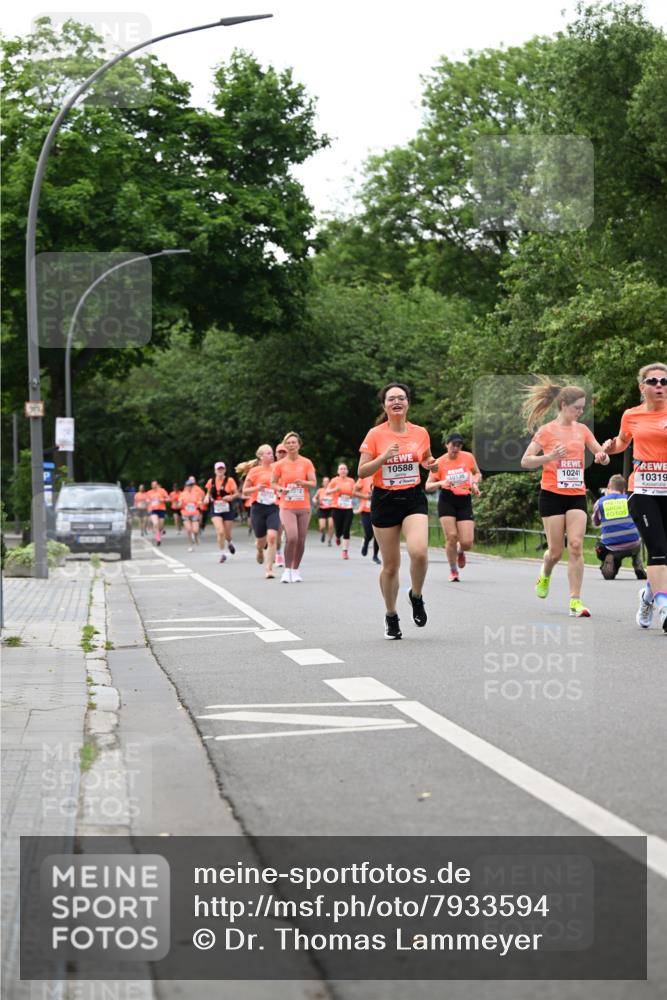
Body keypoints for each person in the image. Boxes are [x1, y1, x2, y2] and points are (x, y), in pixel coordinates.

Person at [520, 377, 610, 617]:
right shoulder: (546, 431)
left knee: (577, 545)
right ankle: (545, 573)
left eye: (582, 407)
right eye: (577, 407)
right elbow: (526, 461)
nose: (581, 412)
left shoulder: (582, 430)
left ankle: (575, 601)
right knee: (556, 552)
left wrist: (603, 456)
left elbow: (600, 452)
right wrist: (548, 457)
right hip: (551, 495)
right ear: (563, 405)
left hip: (576, 495)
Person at [358, 382, 437, 639]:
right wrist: (383, 458)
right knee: (391, 566)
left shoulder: (420, 432)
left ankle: (416, 595)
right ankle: (391, 615)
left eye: (401, 398)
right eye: (391, 398)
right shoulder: (375, 435)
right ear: (385, 405)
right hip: (384, 499)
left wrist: (430, 464)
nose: (396, 402)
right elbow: (362, 471)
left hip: (413, 497)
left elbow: (425, 458)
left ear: (407, 403)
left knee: (420, 552)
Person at [601, 362, 667, 632]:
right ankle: (664, 607)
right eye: (653, 381)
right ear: (643, 387)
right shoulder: (631, 415)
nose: (660, 385)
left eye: (664, 381)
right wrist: (609, 448)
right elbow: (621, 442)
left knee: (665, 554)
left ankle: (647, 596)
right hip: (641, 491)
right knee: (659, 550)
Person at [426, 433, 481, 582]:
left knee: (467, 542)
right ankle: (453, 570)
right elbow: (428, 485)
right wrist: (440, 483)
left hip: (464, 500)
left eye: (459, 445)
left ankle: (461, 550)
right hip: (447, 500)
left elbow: (477, 473)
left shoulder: (468, 457)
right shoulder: (439, 462)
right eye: (453, 445)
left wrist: (475, 484)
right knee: (451, 536)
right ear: (447, 445)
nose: (456, 448)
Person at [271, 432, 317, 583]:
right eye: (288, 443)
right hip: (287, 506)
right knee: (292, 537)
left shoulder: (306, 462)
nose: (291, 445)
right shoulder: (279, 465)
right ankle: (287, 570)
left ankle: (296, 570)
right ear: (285, 445)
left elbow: (313, 483)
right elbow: (273, 483)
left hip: (303, 505)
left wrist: (304, 483)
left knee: (301, 539)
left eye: (294, 442)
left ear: (299, 444)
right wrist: (280, 489)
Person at [592, 475, 646, 580]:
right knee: (636, 535)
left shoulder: (600, 502)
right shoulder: (630, 500)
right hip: (634, 544)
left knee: (599, 546)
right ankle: (636, 561)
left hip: (612, 546)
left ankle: (610, 559)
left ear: (608, 486)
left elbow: (596, 523)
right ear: (624, 489)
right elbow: (638, 519)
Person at [242, 445, 281, 579]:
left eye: (272, 453)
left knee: (272, 537)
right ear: (261, 456)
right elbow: (245, 491)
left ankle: (269, 569)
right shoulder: (254, 471)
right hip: (258, 507)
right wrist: (257, 488)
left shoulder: (277, 469)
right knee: (261, 541)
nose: (272, 455)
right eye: (268, 453)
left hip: (273, 507)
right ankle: (259, 550)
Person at [204, 462, 240, 563]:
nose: (220, 471)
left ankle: (229, 542)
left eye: (222, 469)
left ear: (224, 470)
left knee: (227, 533)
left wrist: (231, 497)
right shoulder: (211, 481)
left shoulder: (230, 480)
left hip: (227, 508)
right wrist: (207, 498)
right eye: (218, 469)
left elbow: (237, 493)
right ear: (215, 471)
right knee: (220, 531)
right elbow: (208, 493)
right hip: (216, 509)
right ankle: (222, 553)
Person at [327, 463, 356, 559]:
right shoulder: (334, 480)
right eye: (341, 469)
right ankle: (338, 536)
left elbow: (354, 492)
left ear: (347, 471)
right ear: (338, 471)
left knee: (346, 529)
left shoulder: (351, 481)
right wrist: (335, 489)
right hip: (337, 507)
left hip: (348, 507)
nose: (343, 470)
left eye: (344, 469)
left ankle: (345, 551)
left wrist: (352, 495)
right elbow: (327, 491)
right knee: (339, 529)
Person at [354, 475, 380, 563]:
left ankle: (375, 555)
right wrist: (366, 497)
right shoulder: (364, 476)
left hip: (379, 510)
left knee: (378, 534)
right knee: (369, 533)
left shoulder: (383, 474)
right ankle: (366, 542)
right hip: (366, 510)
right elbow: (354, 492)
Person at [273, 442, 288, 567]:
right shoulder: (271, 467)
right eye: (280, 452)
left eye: (284, 452)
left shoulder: (292, 467)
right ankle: (276, 551)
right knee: (274, 532)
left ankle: (279, 554)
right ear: (276, 454)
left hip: (286, 502)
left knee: (280, 530)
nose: (282, 454)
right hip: (271, 503)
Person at [180, 476, 205, 551]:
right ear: (186, 486)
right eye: (188, 486)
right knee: (189, 529)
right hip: (185, 513)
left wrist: (200, 503)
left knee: (196, 530)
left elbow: (200, 500)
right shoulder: (183, 493)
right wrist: (179, 503)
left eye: (191, 485)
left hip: (194, 513)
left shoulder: (196, 493)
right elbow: (180, 502)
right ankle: (191, 545)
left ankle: (196, 537)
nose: (189, 487)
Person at [145, 480, 169, 546]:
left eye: (155, 484)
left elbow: (168, 499)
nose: (154, 486)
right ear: (151, 485)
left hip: (161, 509)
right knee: (155, 524)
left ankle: (158, 533)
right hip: (153, 510)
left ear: (157, 485)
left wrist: (163, 500)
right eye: (152, 485)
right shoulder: (149, 492)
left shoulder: (162, 491)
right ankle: (158, 539)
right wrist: (148, 501)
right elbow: (147, 500)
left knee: (160, 526)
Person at [313, 476, 335, 544]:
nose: (326, 483)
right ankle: (323, 533)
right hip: (322, 509)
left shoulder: (333, 490)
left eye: (328, 481)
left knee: (331, 525)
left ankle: (330, 540)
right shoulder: (320, 490)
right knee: (322, 527)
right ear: (322, 483)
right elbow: (314, 498)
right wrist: (315, 501)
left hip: (331, 509)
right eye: (325, 481)